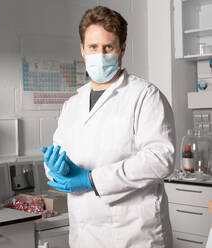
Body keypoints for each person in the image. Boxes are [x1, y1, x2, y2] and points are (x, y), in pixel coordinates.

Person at [41, 6, 175, 248]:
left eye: (108, 48)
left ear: (122, 49)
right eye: (93, 47)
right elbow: (59, 157)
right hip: (85, 235)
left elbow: (160, 159)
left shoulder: (145, 95)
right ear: (82, 50)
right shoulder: (72, 105)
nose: (99, 55)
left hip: (133, 235)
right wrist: (54, 168)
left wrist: (92, 180)